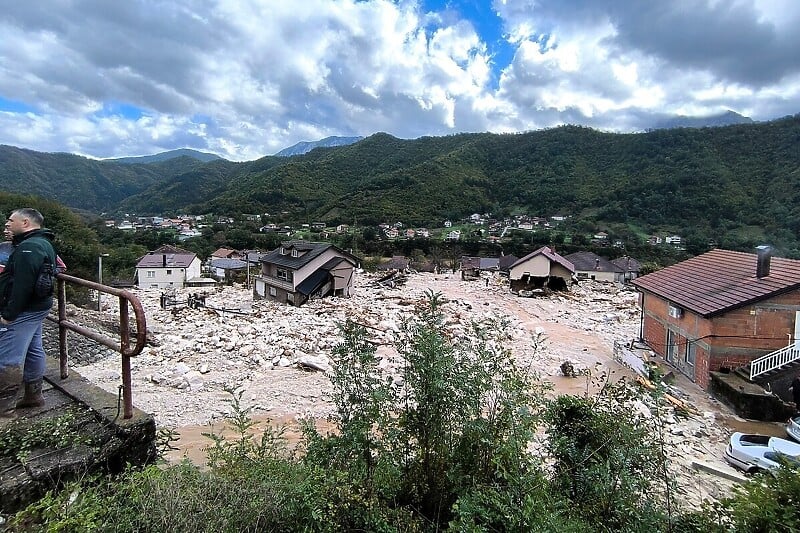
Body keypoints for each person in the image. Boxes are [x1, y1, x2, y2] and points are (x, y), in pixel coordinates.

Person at [0, 208, 57, 419]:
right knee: (34, 349)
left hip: (25, 309)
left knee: (7, 357)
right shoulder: (42, 242)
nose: (7, 224)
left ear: (25, 223)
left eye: (10, 221)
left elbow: (22, 285)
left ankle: (4, 410)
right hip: (38, 306)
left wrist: (9, 314)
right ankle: (33, 396)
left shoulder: (28, 247)